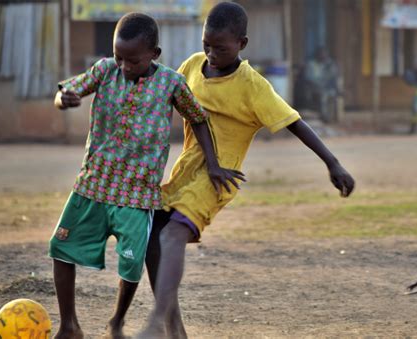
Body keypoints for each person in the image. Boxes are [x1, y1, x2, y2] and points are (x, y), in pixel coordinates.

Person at [138, 2, 355, 338]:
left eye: (220, 48)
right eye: (206, 44)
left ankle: (155, 320)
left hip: (219, 176)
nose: (210, 54)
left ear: (242, 44)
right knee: (152, 238)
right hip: (185, 171)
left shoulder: (253, 86)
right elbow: (166, 100)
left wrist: (333, 163)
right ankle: (174, 329)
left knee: (172, 234)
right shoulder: (193, 66)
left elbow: (294, 122)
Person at [48, 12, 241, 339]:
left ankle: (117, 322)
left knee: (132, 265)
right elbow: (71, 89)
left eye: (133, 60)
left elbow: (198, 118)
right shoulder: (105, 70)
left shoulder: (171, 84)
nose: (124, 66)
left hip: (137, 194)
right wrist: (63, 99)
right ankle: (69, 325)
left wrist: (213, 162)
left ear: (154, 54)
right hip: (93, 183)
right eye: (118, 57)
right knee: (60, 248)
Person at [303, 46, 340, 123]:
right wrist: (318, 85)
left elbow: (333, 77)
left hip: (326, 88)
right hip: (314, 88)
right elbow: (308, 79)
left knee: (332, 94)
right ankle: (324, 118)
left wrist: (330, 66)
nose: (323, 56)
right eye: (321, 54)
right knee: (324, 96)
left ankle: (331, 117)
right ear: (317, 55)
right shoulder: (311, 64)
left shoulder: (328, 64)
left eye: (325, 54)